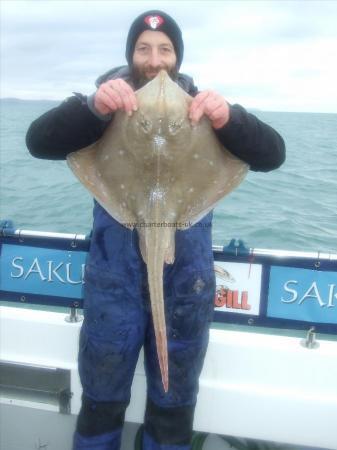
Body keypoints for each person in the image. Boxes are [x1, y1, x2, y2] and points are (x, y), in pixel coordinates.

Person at [26, 10, 285, 450]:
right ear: (130, 55)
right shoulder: (105, 106)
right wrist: (93, 108)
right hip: (114, 278)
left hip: (187, 281)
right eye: (144, 48)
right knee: (102, 393)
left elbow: (272, 154)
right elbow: (39, 141)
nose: (155, 59)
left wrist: (230, 119)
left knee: (175, 398)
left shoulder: (202, 108)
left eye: (165, 49)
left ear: (178, 57)